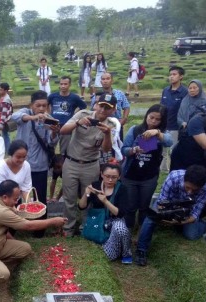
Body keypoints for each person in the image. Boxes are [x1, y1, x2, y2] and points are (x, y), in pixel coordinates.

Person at [0, 180, 67, 292]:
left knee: (25, 249)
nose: (16, 202)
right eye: (15, 199)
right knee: (3, 275)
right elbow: (28, 226)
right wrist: (53, 221)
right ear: (5, 197)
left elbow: (1, 227)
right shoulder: (0, 211)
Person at [59, 94, 116, 236]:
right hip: (72, 162)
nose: (103, 110)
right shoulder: (82, 114)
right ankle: (68, 227)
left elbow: (106, 149)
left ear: (113, 110)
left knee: (89, 197)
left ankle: (86, 226)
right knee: (69, 198)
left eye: (107, 108)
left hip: (91, 165)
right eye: (101, 105)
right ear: (96, 104)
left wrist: (107, 134)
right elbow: (63, 130)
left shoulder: (111, 125)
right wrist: (78, 123)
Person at [135, 165, 206, 266]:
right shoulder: (173, 177)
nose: (189, 192)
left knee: (191, 235)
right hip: (169, 202)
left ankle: (203, 224)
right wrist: (163, 215)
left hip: (188, 208)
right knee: (152, 216)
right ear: (184, 179)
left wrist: (181, 222)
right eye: (188, 187)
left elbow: (195, 213)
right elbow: (161, 202)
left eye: (194, 190)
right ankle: (141, 250)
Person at [121, 104, 173, 230]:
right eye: (151, 117)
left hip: (149, 177)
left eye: (157, 119)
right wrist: (133, 150)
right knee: (130, 206)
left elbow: (169, 142)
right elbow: (124, 149)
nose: (153, 121)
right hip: (130, 175)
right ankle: (128, 229)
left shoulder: (162, 134)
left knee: (144, 206)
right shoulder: (135, 129)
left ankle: (143, 229)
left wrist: (157, 133)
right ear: (147, 115)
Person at [13, 91, 60, 225]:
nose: (41, 109)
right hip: (21, 164)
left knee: (39, 195)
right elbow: (14, 116)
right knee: (18, 194)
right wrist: (33, 118)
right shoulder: (25, 112)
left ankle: (40, 225)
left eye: (44, 106)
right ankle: (18, 222)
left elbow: (51, 143)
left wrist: (54, 133)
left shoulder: (49, 119)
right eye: (38, 105)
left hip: (39, 164)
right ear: (31, 105)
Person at [79, 163, 132, 263]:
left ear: (119, 177)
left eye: (114, 177)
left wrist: (105, 201)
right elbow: (81, 207)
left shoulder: (122, 189)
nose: (110, 180)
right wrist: (86, 193)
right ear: (102, 174)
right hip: (98, 220)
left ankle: (126, 253)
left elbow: (120, 213)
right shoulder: (95, 186)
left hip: (114, 220)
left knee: (120, 229)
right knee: (107, 255)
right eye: (107, 176)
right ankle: (114, 246)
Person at [47, 76, 87, 155]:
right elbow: (45, 104)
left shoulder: (74, 97)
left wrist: (75, 115)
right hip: (53, 125)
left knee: (64, 151)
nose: (63, 86)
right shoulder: (52, 96)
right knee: (49, 148)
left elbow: (83, 107)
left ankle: (63, 165)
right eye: (61, 84)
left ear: (69, 85)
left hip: (66, 126)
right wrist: (48, 115)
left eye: (65, 84)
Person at [159, 66, 188, 173]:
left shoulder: (184, 92)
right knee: (162, 149)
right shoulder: (165, 90)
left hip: (176, 126)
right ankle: (163, 169)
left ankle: (174, 169)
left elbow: (185, 110)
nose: (171, 77)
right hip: (164, 124)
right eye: (170, 74)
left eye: (174, 74)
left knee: (173, 150)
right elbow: (161, 107)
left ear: (181, 77)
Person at [0, 82, 13, 150]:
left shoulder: (5, 100)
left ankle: (6, 149)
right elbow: (1, 108)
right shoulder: (3, 97)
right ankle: (6, 149)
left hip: (3, 121)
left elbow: (4, 113)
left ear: (5, 91)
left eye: (1, 90)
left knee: (3, 134)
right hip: (1, 120)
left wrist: (1, 124)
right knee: (5, 135)